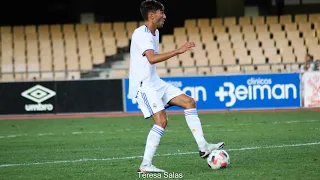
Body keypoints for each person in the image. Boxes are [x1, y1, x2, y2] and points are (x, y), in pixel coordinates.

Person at [128, 0, 224, 173]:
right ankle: (145, 165)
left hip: (155, 82)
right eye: (161, 13)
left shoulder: (154, 32)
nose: (164, 16)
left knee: (189, 102)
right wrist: (178, 51)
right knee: (161, 121)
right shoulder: (141, 34)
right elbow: (151, 58)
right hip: (144, 86)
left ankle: (203, 146)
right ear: (151, 15)